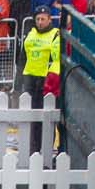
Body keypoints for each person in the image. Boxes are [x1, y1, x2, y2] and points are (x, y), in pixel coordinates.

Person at [21, 8, 61, 153]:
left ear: (49, 19)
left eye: (43, 19)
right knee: (34, 118)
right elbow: (23, 57)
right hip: (31, 79)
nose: (40, 22)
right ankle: (34, 149)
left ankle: (47, 150)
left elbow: (56, 58)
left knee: (48, 118)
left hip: (47, 81)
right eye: (38, 19)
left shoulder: (55, 34)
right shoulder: (31, 33)